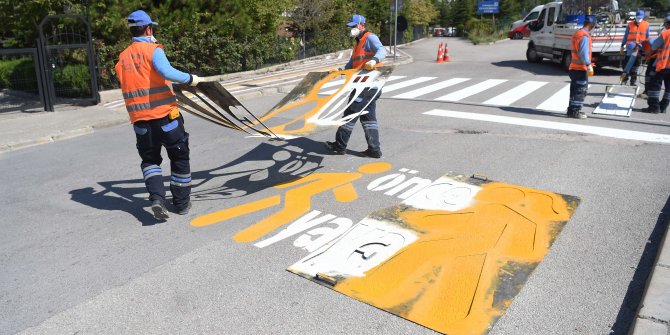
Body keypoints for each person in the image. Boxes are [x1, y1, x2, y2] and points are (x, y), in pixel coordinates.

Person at [115, 10, 201, 220]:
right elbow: (167, 72)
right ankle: (181, 204)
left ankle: (156, 199)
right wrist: (191, 78)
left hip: (140, 122)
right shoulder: (152, 50)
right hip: (165, 118)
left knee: (150, 161)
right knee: (179, 156)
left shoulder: (123, 57)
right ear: (148, 28)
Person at [325, 14, 386, 158]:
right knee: (368, 117)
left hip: (367, 86)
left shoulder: (370, 38)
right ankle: (374, 149)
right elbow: (351, 65)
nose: (352, 29)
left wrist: (374, 61)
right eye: (351, 26)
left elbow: (382, 50)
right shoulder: (357, 44)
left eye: (354, 26)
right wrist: (340, 71)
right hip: (364, 85)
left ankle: (339, 146)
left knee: (349, 114)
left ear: (362, 25)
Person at [567, 15, 596, 119]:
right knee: (580, 91)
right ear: (592, 25)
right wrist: (588, 65)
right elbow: (583, 53)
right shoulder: (584, 36)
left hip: (574, 67)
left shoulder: (577, 33)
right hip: (580, 68)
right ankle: (575, 112)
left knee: (574, 90)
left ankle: (571, 110)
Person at [644, 16, 670, 114]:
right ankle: (663, 107)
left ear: (667, 24)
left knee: (654, 84)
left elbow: (654, 46)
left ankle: (654, 107)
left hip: (663, 65)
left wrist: (647, 55)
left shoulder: (665, 33)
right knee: (669, 88)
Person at [620, 10, 650, 86]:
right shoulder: (630, 24)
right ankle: (625, 79)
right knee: (628, 63)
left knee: (636, 65)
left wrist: (647, 49)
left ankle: (633, 81)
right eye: (637, 18)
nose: (638, 19)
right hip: (630, 46)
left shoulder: (646, 25)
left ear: (643, 17)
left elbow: (647, 37)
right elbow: (626, 36)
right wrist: (622, 45)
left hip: (640, 47)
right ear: (635, 17)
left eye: (640, 18)